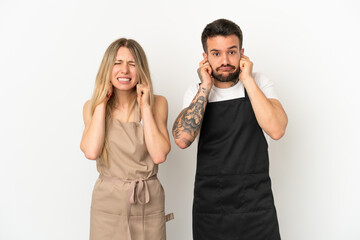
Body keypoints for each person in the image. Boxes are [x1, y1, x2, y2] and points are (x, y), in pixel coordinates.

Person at [172, 19, 288, 240]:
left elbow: (277, 130)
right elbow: (182, 139)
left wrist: (247, 80)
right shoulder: (196, 92)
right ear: (205, 57)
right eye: (216, 54)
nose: (225, 60)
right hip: (211, 209)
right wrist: (205, 86)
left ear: (242, 53)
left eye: (231, 52)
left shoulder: (259, 84)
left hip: (257, 206)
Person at [80, 38, 173, 240]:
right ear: (107, 68)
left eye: (132, 64)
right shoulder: (92, 107)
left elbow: (158, 155)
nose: (124, 70)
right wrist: (102, 103)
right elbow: (91, 151)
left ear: (140, 69)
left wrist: (145, 108)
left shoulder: (158, 104)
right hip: (108, 203)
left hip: (147, 200)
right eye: (117, 63)